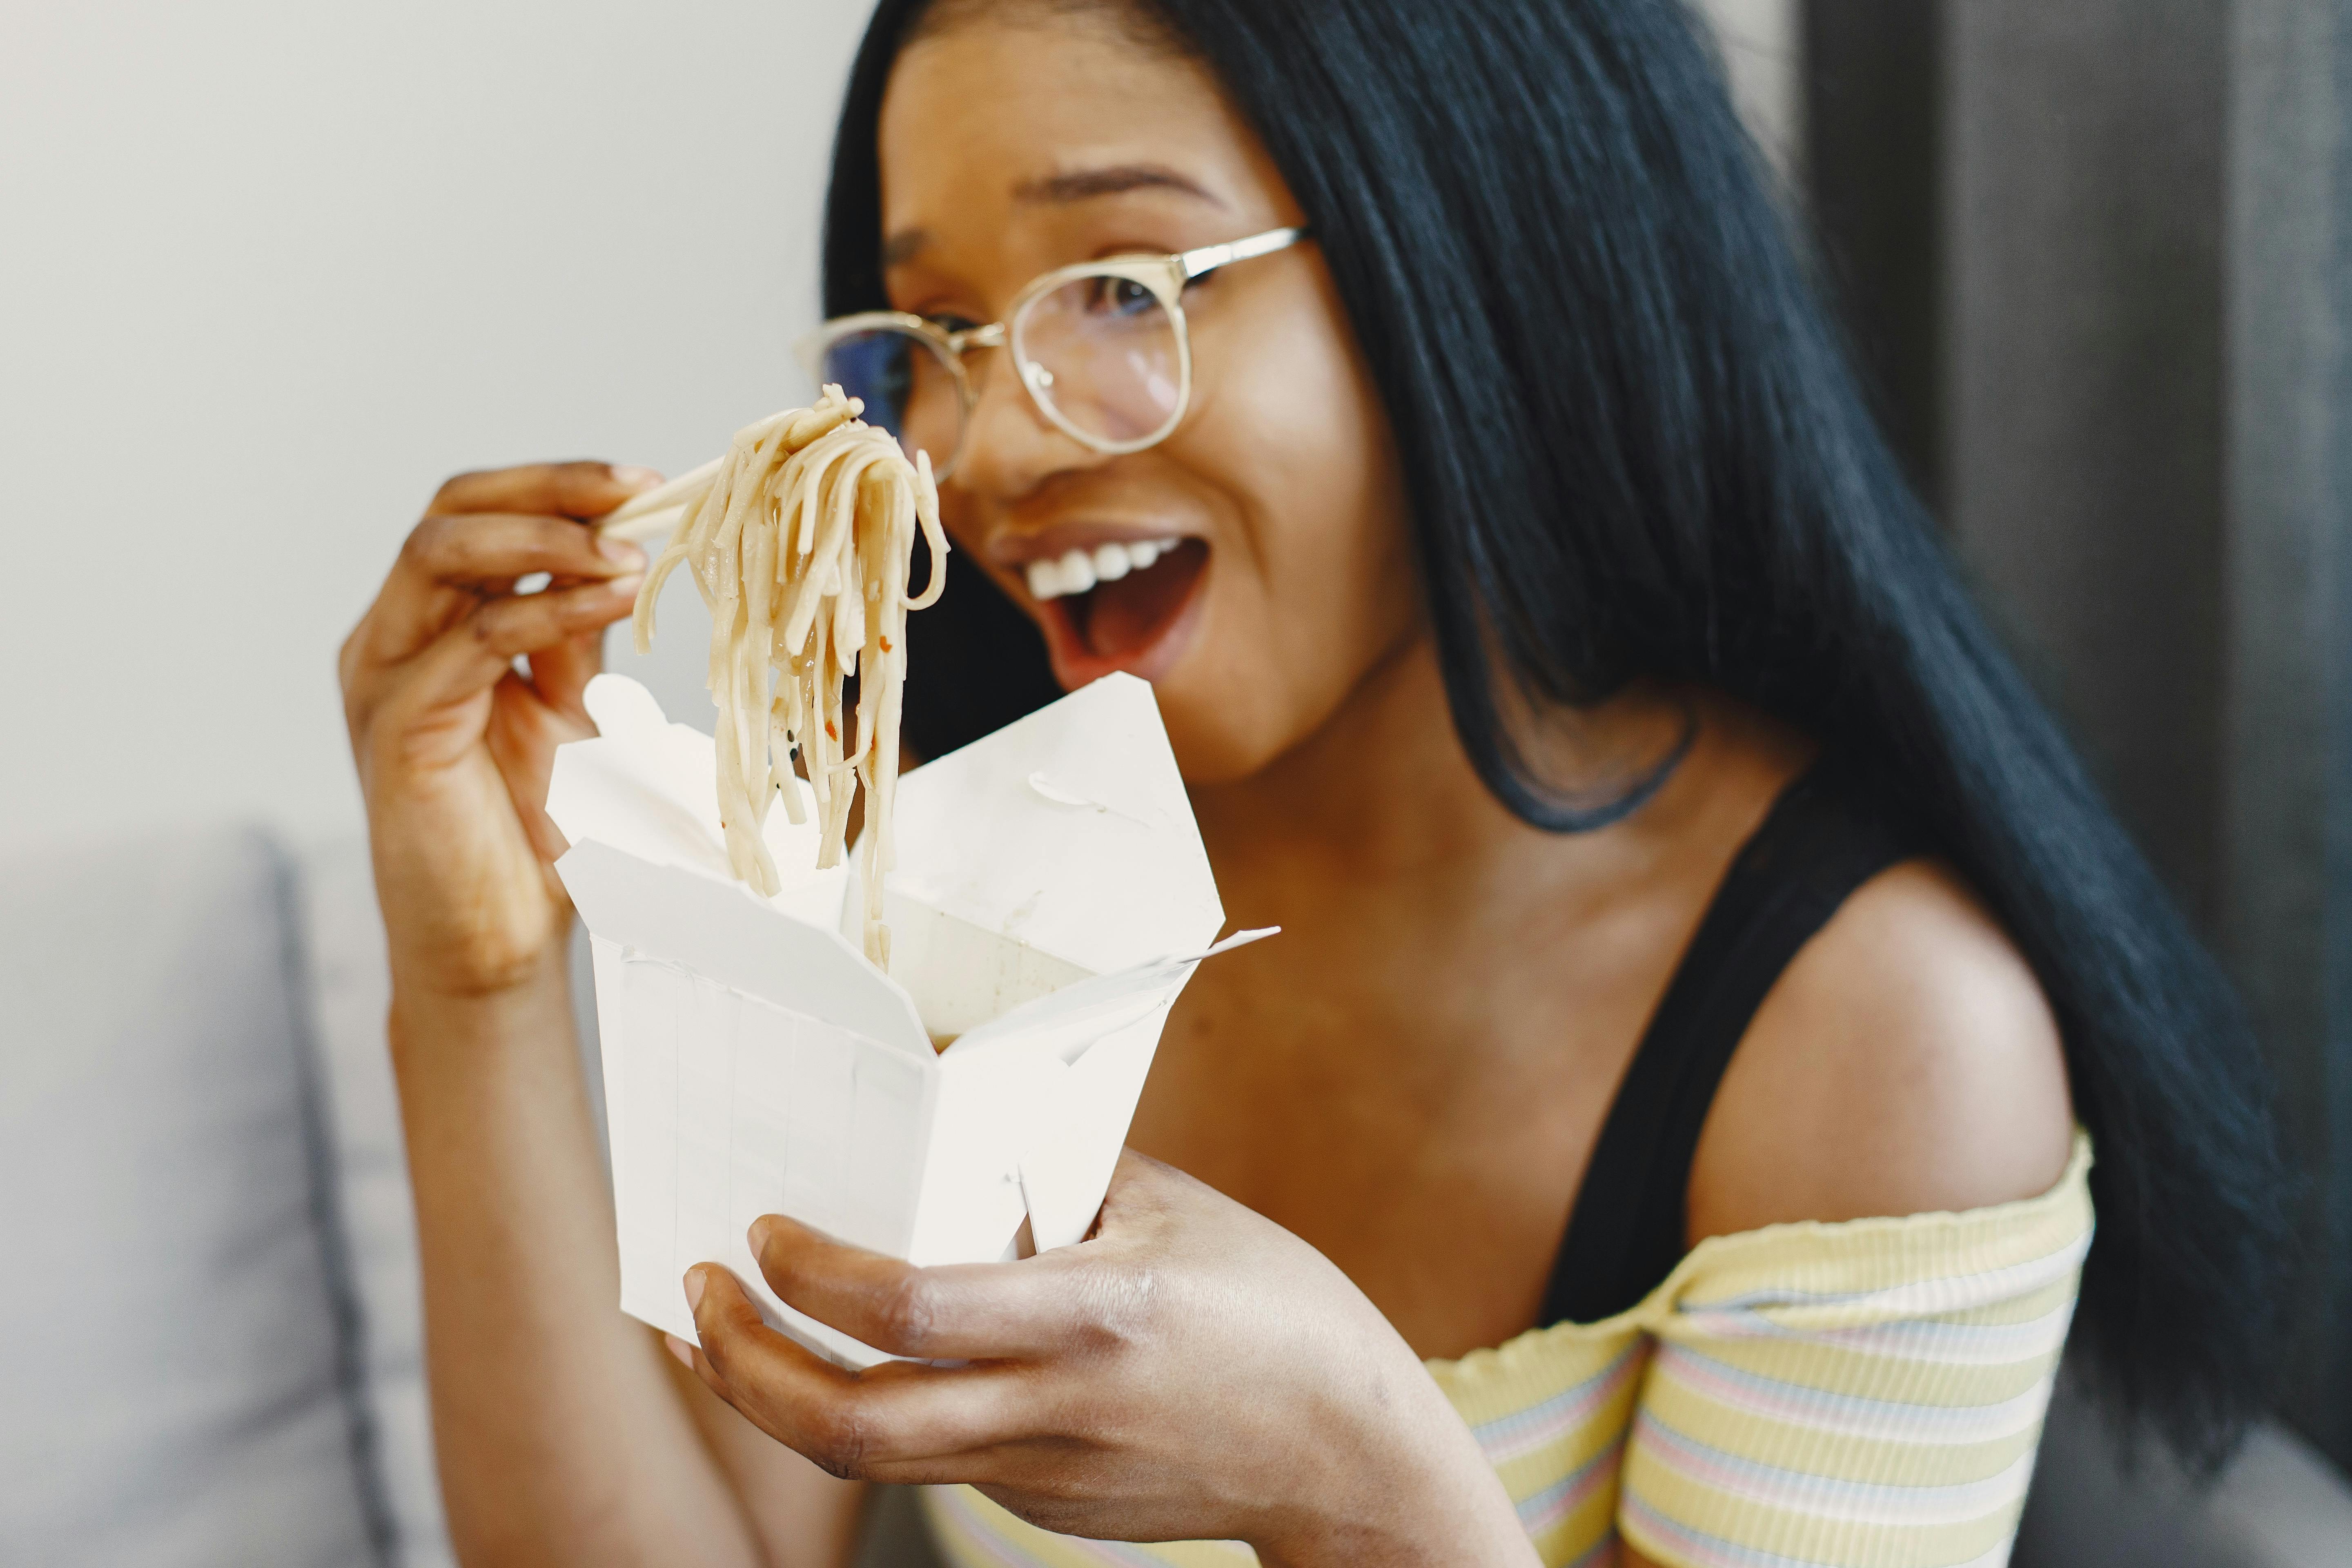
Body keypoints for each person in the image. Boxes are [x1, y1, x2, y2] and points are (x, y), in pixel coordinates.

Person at [337, 1, 2297, 1564]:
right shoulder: (943, 877)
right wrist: (478, 979)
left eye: (1126, 286)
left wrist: (1350, 1480)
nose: (987, 447)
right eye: (935, 328)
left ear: (1485, 259)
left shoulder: (1873, 1037)